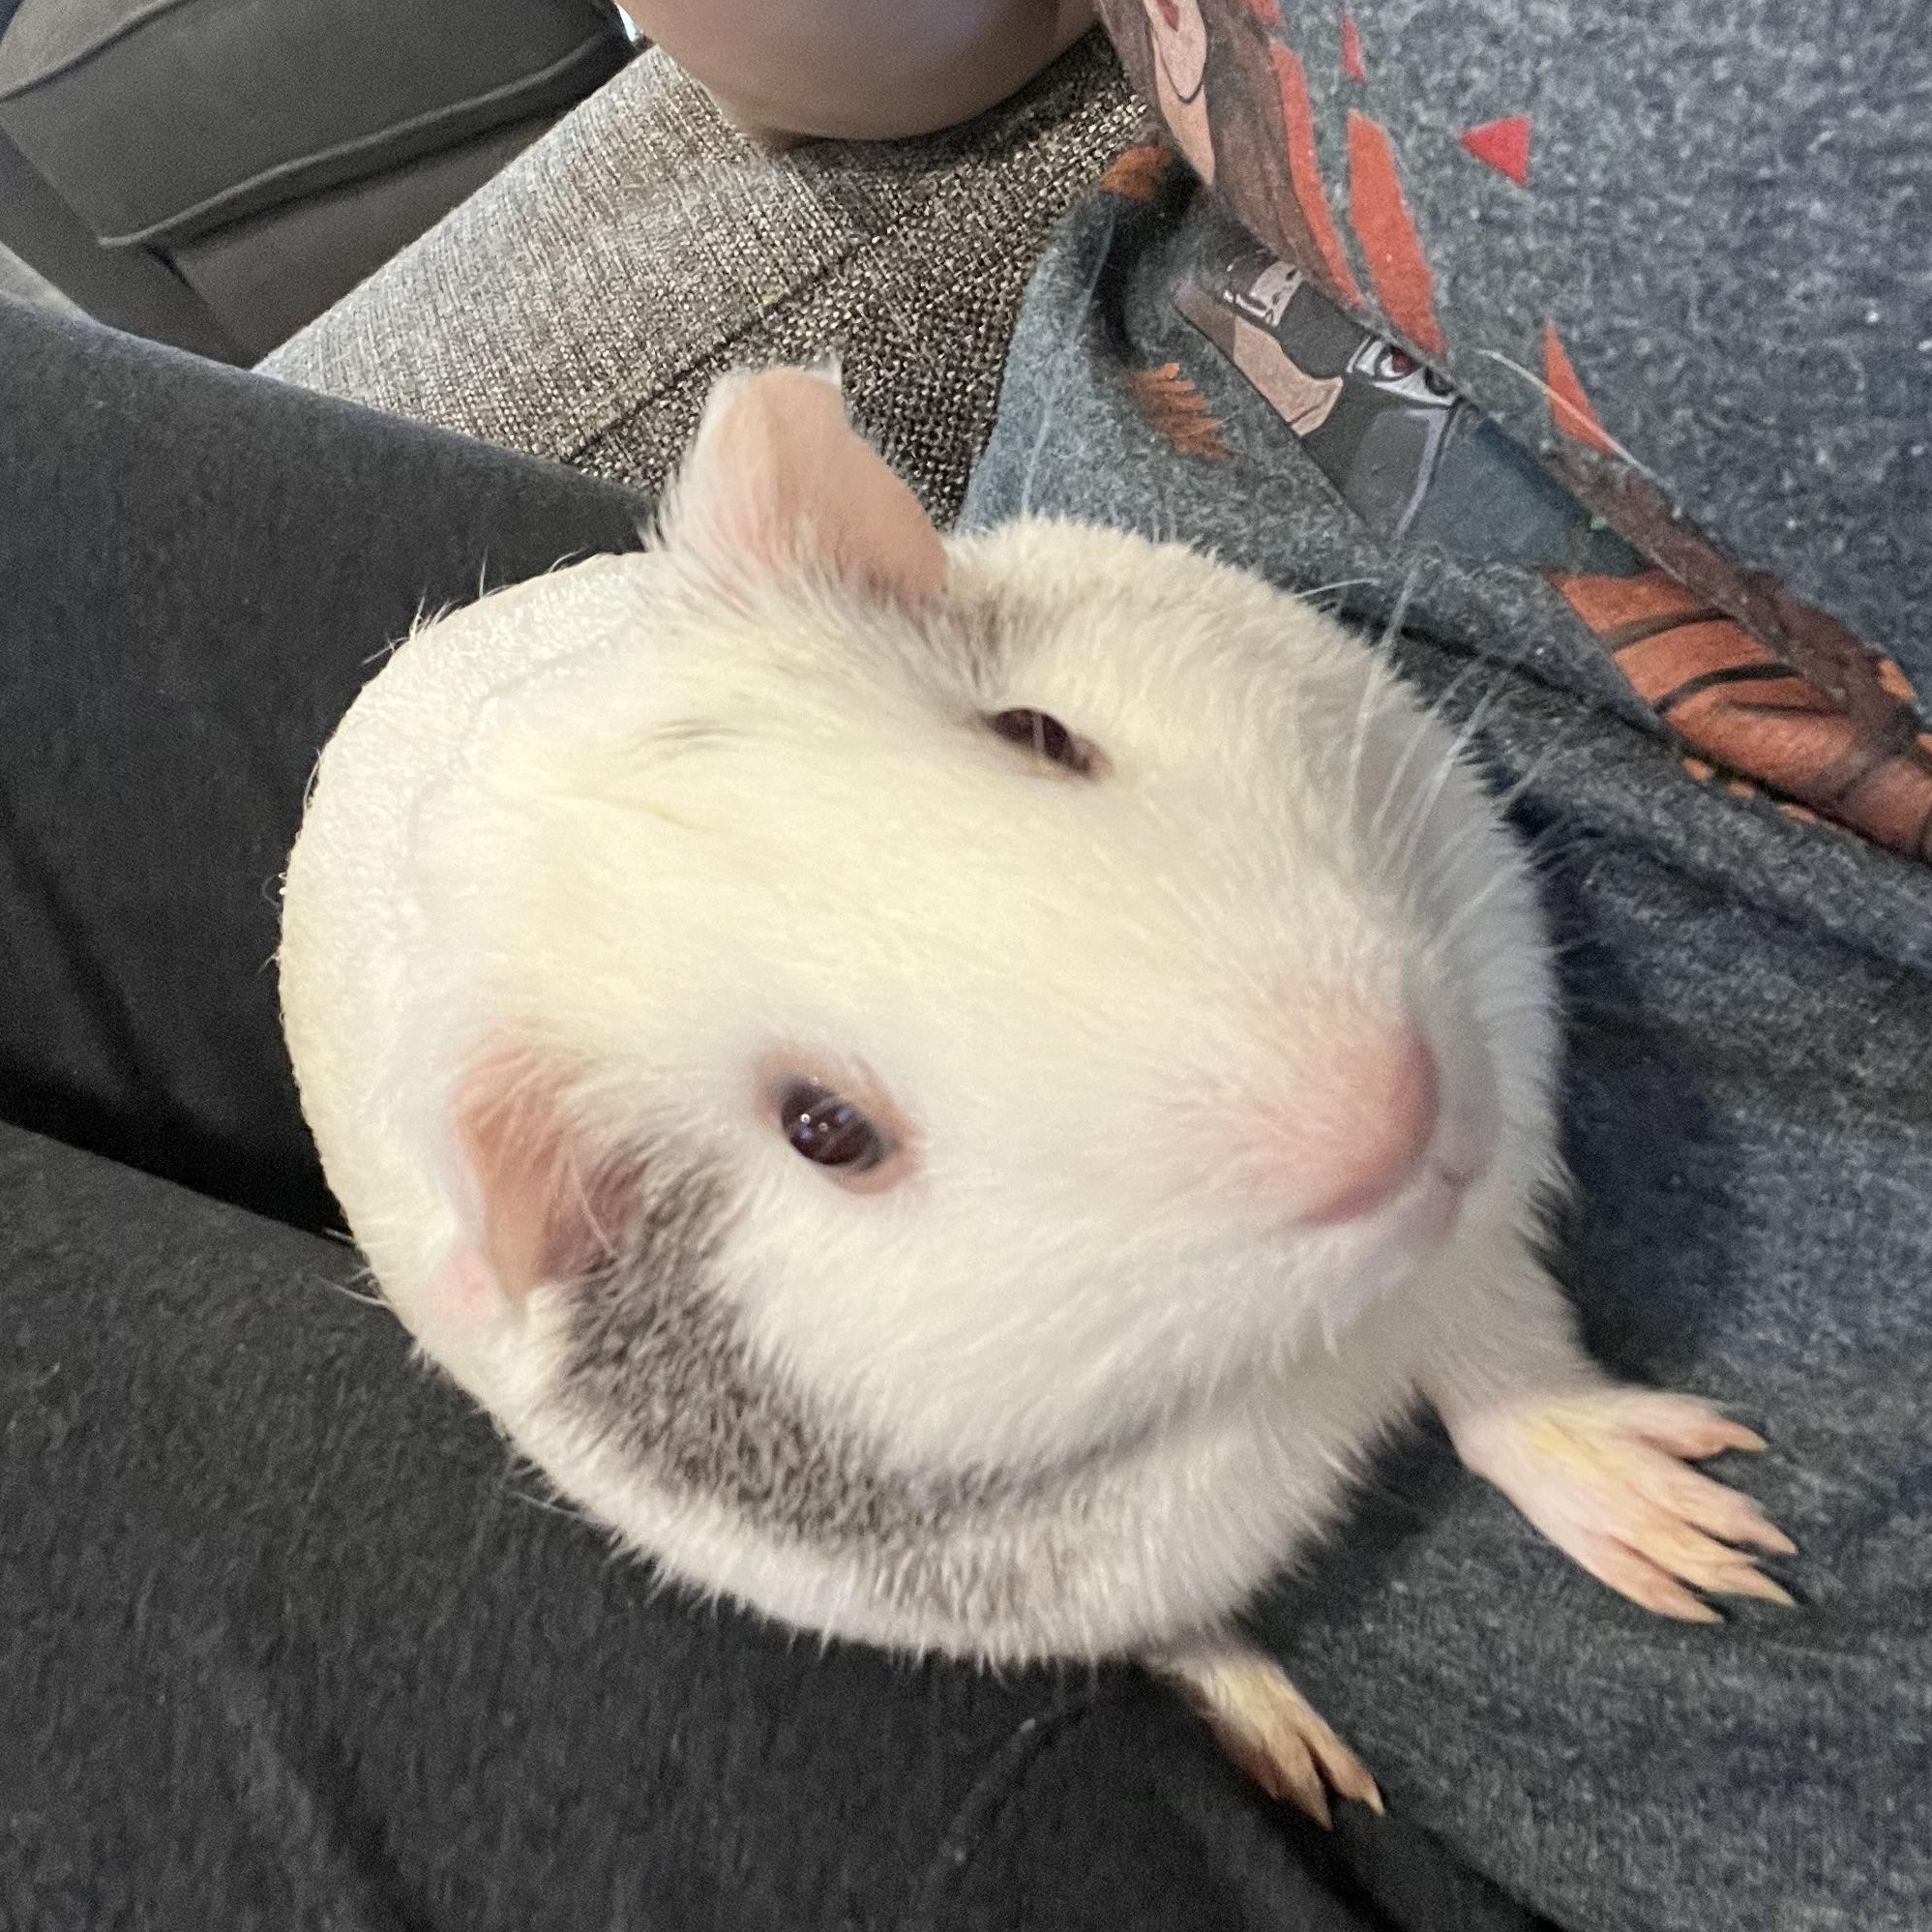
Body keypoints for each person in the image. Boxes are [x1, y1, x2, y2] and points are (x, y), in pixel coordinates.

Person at [3, 3, 1927, 1927]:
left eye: (1041, 751)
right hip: (1140, 426)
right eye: (830, 1124)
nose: (1355, 1095)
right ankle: (1163, 1625)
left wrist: (1507, 1378)